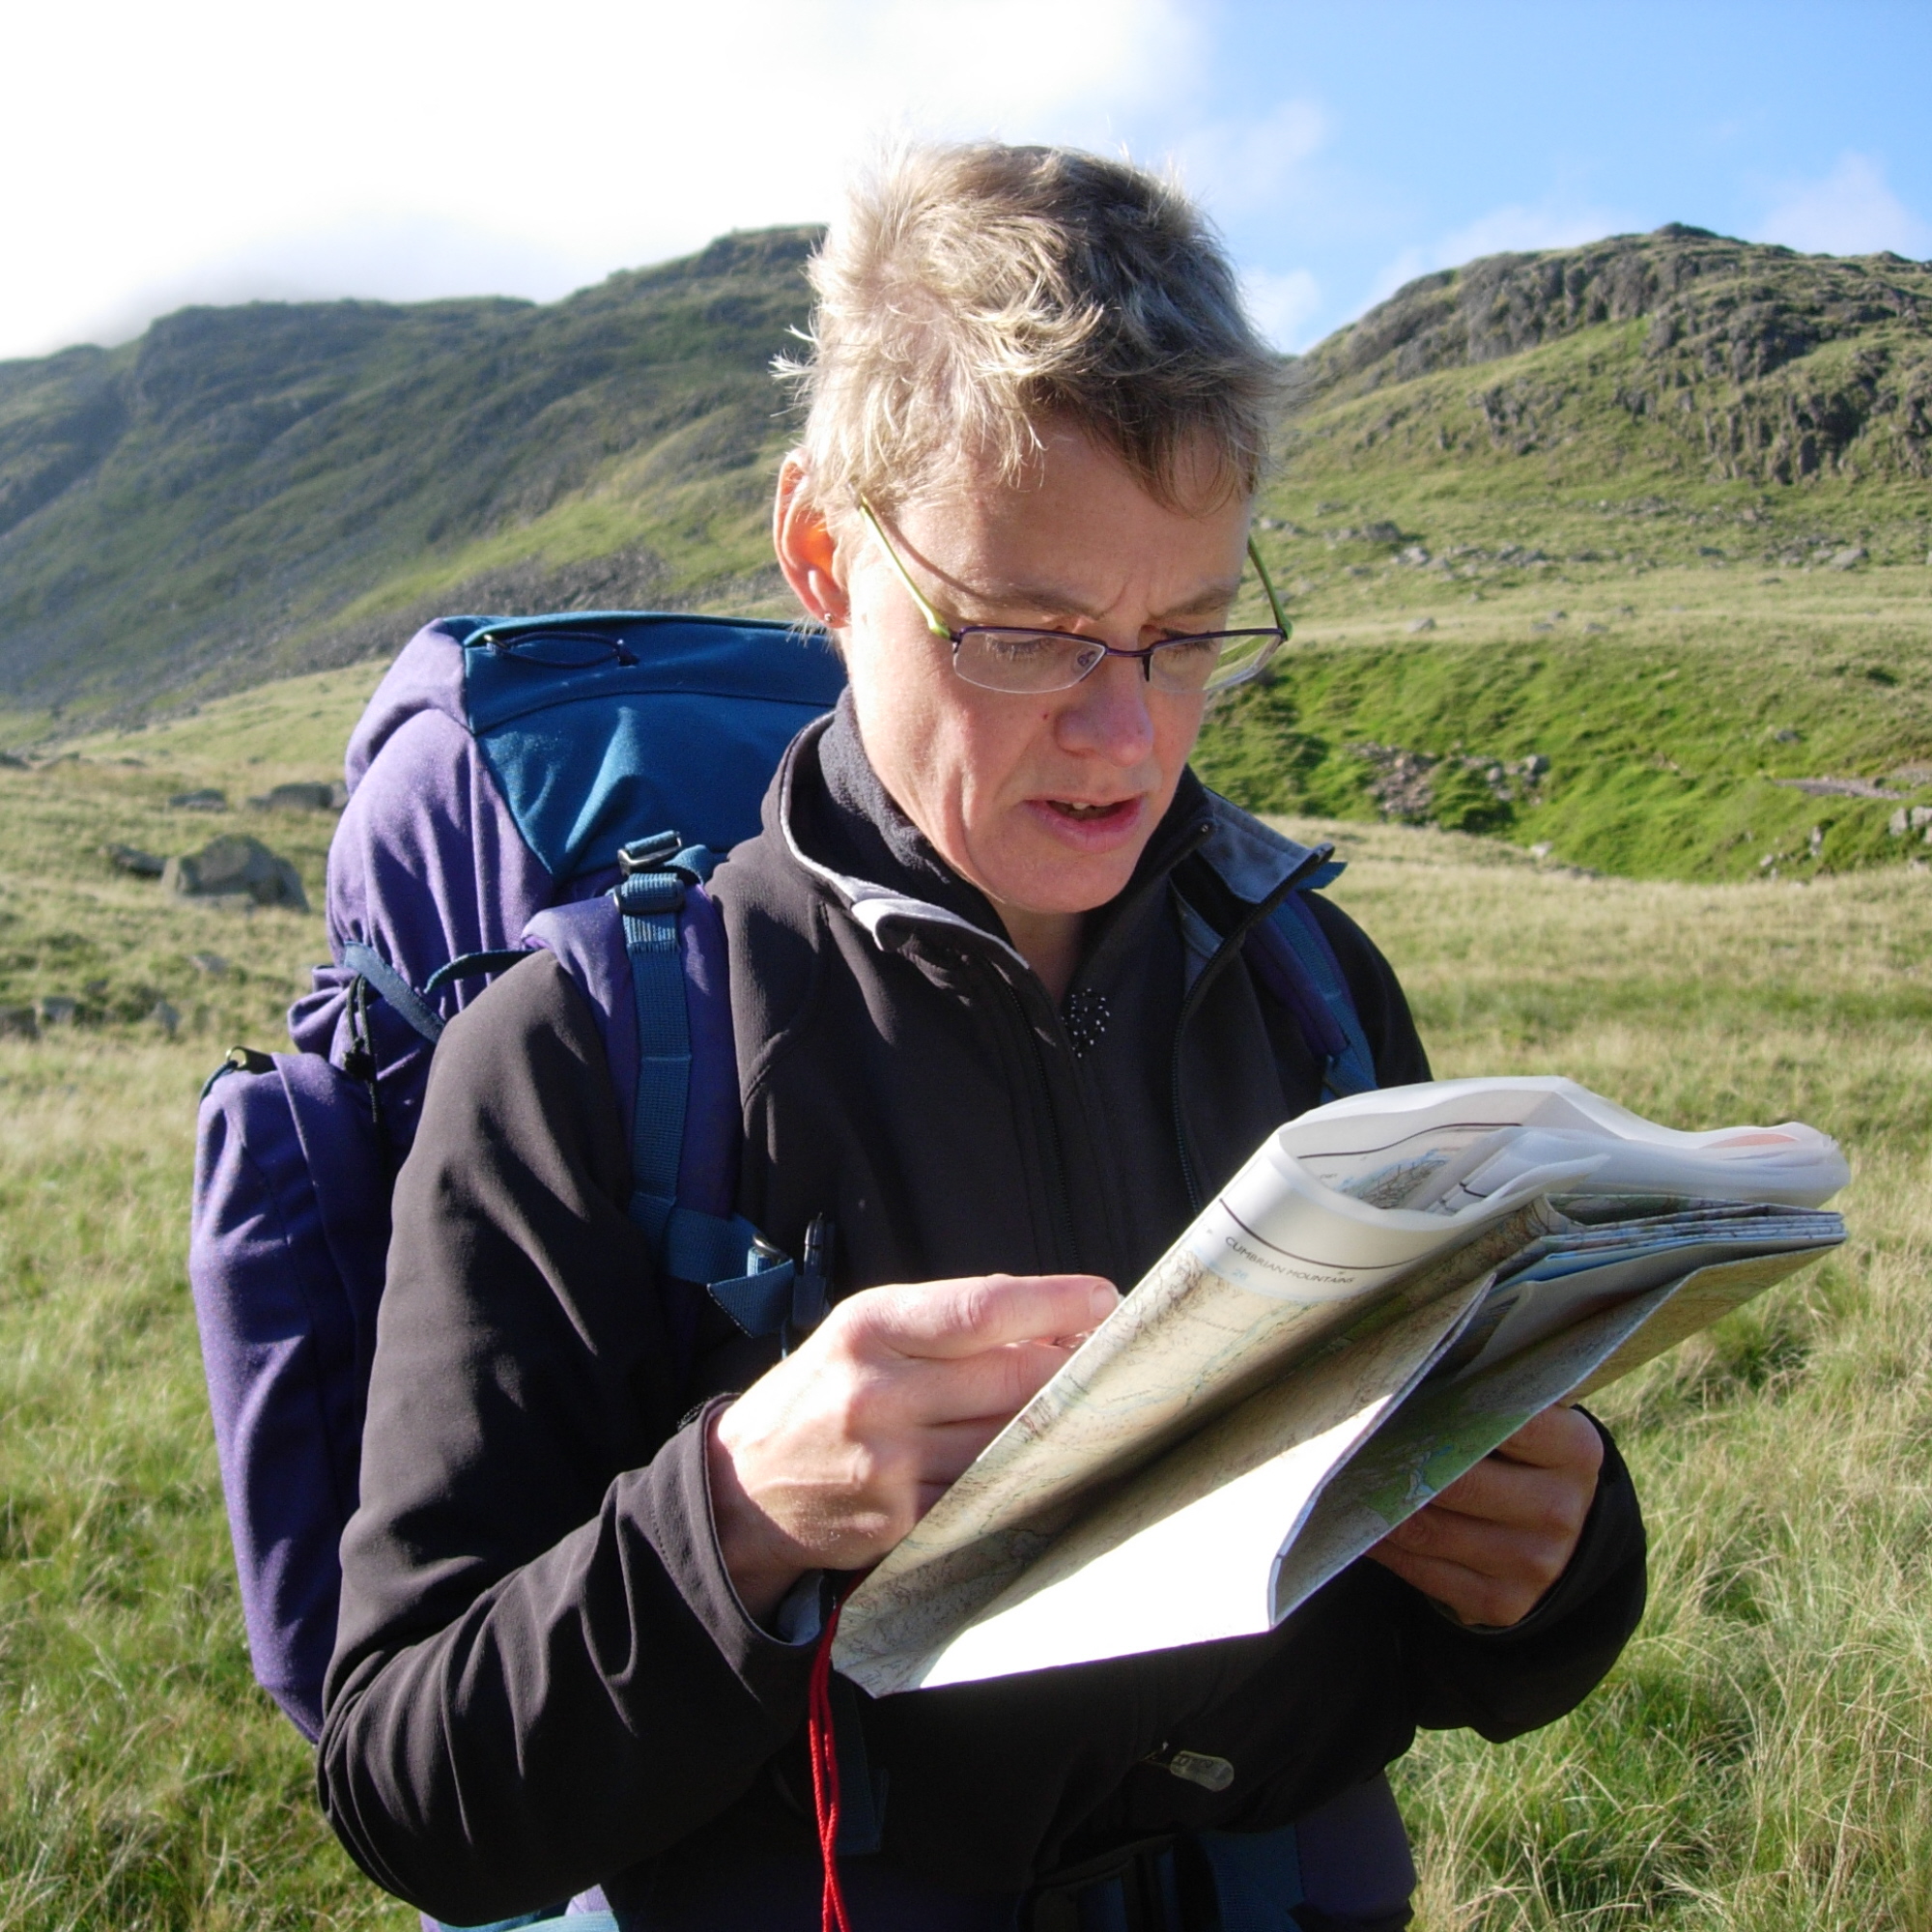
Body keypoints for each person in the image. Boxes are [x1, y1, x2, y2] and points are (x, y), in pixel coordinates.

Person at [319, 142, 1644, 1932]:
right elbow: (417, 1787)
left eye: (1185, 635)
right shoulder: (575, 1058)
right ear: (821, 551)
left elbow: (1453, 1651)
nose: (1123, 732)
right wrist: (731, 1521)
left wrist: (1554, 1572)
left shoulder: (1311, 987)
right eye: (1027, 635)